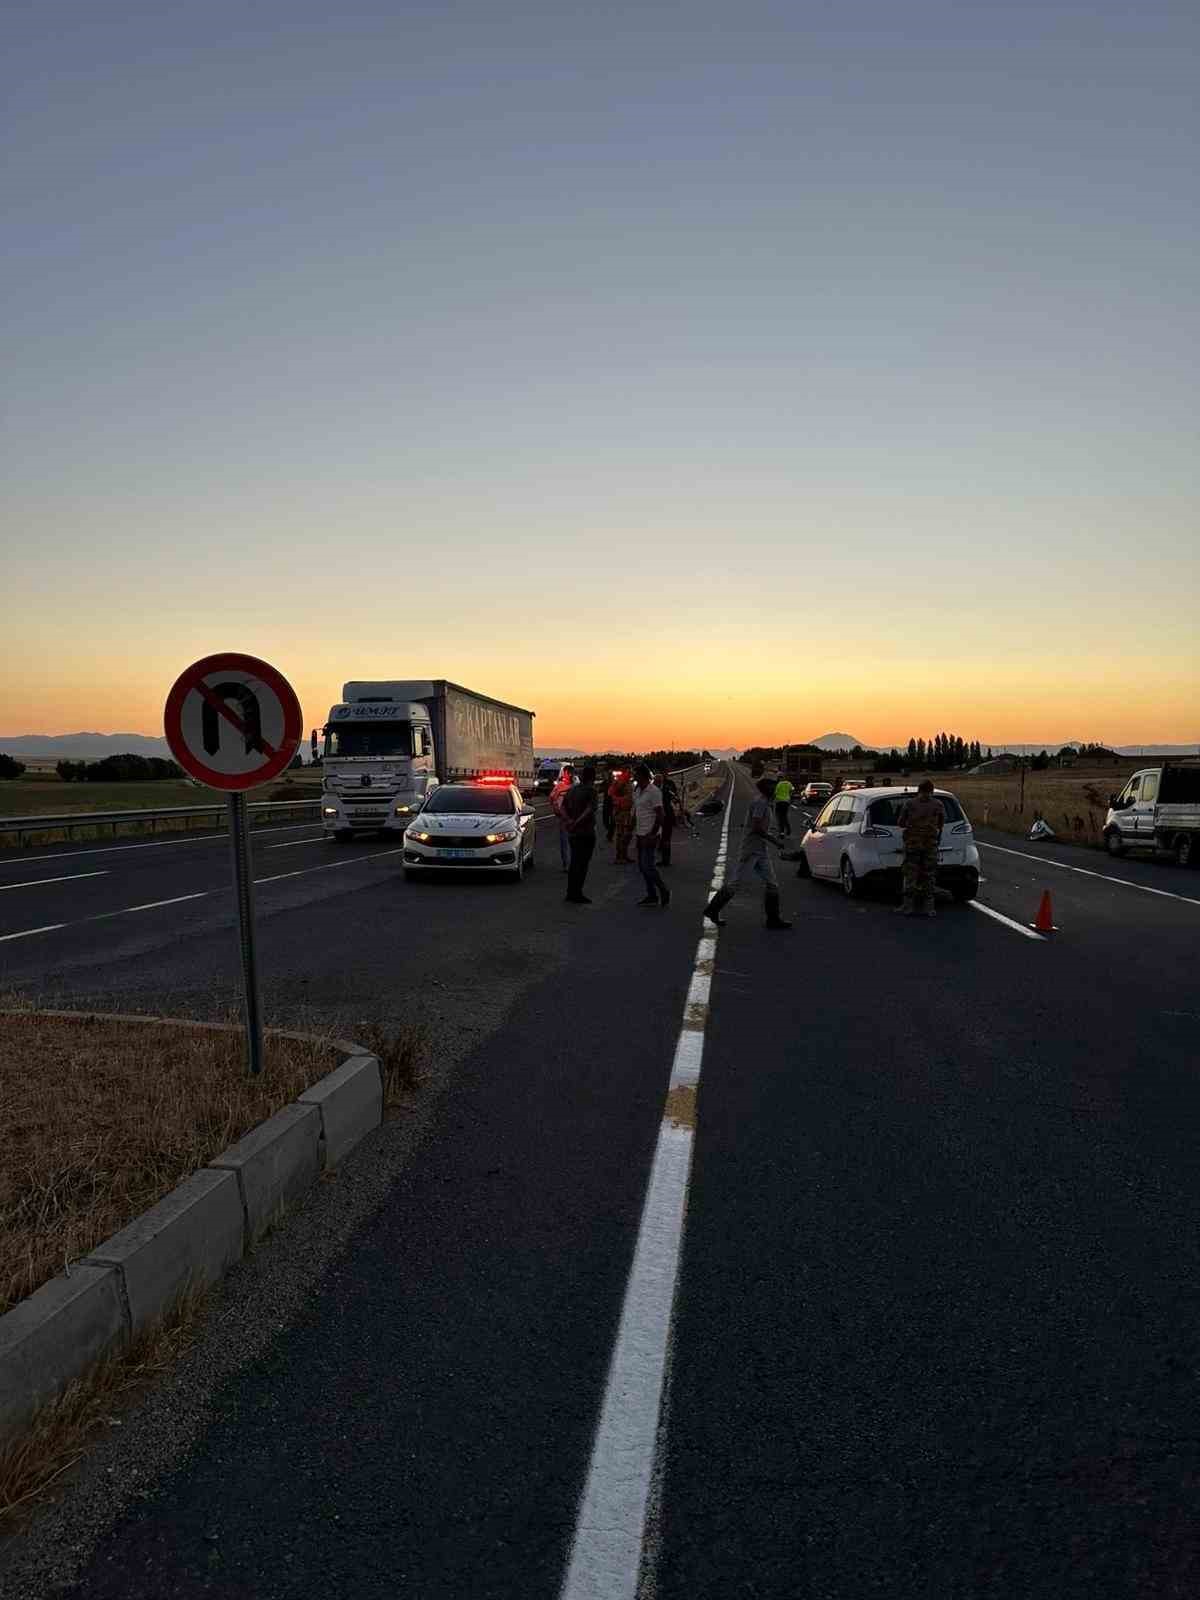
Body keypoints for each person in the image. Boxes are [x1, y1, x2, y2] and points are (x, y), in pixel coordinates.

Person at [704, 777, 791, 929]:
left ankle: (773, 919)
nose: (776, 790)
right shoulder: (760, 803)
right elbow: (756, 827)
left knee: (772, 885)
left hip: (760, 850)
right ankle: (712, 910)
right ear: (767, 789)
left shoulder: (766, 803)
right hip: (751, 850)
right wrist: (775, 841)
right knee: (735, 883)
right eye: (773, 787)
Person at [895, 779, 945, 917]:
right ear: (932, 791)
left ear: (919, 790)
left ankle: (908, 906)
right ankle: (929, 908)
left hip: (913, 844)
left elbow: (900, 823)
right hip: (930, 844)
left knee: (910, 875)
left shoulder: (910, 804)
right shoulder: (938, 804)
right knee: (929, 875)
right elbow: (941, 823)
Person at [632, 764, 671, 907]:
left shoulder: (654, 791)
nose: (634, 777)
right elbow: (637, 811)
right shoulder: (637, 791)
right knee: (643, 867)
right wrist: (631, 828)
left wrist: (652, 834)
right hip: (640, 833)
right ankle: (651, 895)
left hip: (650, 834)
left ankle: (663, 890)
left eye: (635, 774)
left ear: (642, 775)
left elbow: (661, 815)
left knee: (648, 866)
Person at [560, 764, 598, 904]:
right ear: (593, 777)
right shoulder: (591, 791)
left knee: (574, 862)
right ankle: (577, 893)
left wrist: (568, 820)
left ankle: (570, 892)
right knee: (582, 864)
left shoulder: (572, 790)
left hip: (573, 833)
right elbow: (590, 809)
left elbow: (562, 807)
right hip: (585, 832)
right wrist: (576, 822)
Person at [549, 764, 575, 871]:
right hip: (563, 817)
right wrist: (556, 807)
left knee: (572, 841)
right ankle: (566, 864)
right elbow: (552, 798)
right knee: (564, 841)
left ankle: (571, 863)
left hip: (574, 817)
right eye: (567, 773)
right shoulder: (559, 786)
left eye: (569, 773)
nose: (568, 775)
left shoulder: (575, 786)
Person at [609, 770, 634, 863]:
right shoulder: (621, 782)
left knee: (626, 835)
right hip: (622, 812)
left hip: (627, 811)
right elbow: (611, 793)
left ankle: (624, 854)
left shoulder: (627, 783)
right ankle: (619, 856)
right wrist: (620, 801)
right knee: (621, 835)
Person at [657, 769, 680, 866]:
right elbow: (676, 798)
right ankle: (665, 857)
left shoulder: (664, 788)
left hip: (665, 814)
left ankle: (665, 860)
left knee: (665, 837)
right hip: (667, 813)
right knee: (665, 837)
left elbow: (675, 798)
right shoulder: (668, 786)